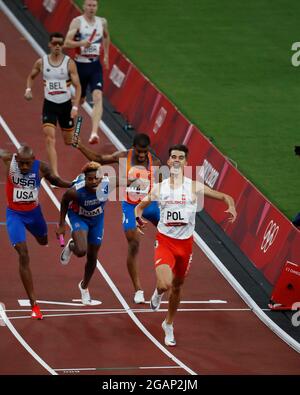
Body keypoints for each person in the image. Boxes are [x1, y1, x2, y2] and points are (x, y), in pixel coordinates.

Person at [134, 144, 237, 346]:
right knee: (165, 284)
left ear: (186, 162)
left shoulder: (193, 186)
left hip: (186, 245)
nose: (177, 160)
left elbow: (225, 196)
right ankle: (157, 292)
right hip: (165, 242)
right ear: (169, 161)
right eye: (173, 157)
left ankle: (168, 324)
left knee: (178, 287)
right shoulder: (159, 188)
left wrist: (231, 206)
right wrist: (138, 219)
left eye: (181, 157)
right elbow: (139, 207)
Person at [73, 133, 161, 304]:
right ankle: (138, 290)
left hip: (150, 204)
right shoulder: (123, 156)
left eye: (145, 152)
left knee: (170, 228)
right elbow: (98, 158)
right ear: (133, 147)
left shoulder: (155, 162)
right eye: (139, 151)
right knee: (133, 241)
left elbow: (163, 185)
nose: (142, 155)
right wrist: (80, 145)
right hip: (130, 206)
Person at [0, 145, 73, 320]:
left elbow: (55, 181)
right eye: (22, 163)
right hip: (15, 215)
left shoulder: (42, 167)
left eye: (27, 164)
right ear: (17, 159)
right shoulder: (9, 161)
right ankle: (34, 305)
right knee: (23, 254)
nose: (24, 167)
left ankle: (48, 240)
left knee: (42, 240)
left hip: (34, 215)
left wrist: (72, 184)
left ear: (33, 160)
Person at [24, 32, 81, 177]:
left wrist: (75, 107)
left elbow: (78, 86)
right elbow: (31, 76)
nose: (57, 46)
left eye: (60, 44)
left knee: (69, 141)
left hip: (66, 106)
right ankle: (55, 174)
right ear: (50, 44)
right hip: (49, 105)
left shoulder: (69, 63)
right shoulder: (41, 62)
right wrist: (28, 89)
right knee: (49, 138)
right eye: (55, 43)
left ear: (63, 46)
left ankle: (79, 140)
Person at [56, 162, 112, 305]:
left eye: (96, 178)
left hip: (97, 220)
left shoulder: (108, 184)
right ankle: (73, 246)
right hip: (79, 217)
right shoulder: (75, 191)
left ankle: (84, 287)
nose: (93, 182)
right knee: (81, 251)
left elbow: (127, 181)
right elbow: (64, 201)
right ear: (85, 179)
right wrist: (61, 224)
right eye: (90, 179)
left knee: (93, 256)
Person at [64, 0, 110, 145]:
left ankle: (94, 133)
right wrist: (81, 44)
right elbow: (66, 42)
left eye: (94, 5)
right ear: (84, 7)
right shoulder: (77, 22)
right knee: (80, 100)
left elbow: (106, 36)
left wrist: (107, 55)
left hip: (95, 66)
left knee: (97, 96)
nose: (91, 8)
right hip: (79, 66)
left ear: (97, 7)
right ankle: (65, 115)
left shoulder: (102, 22)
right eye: (89, 5)